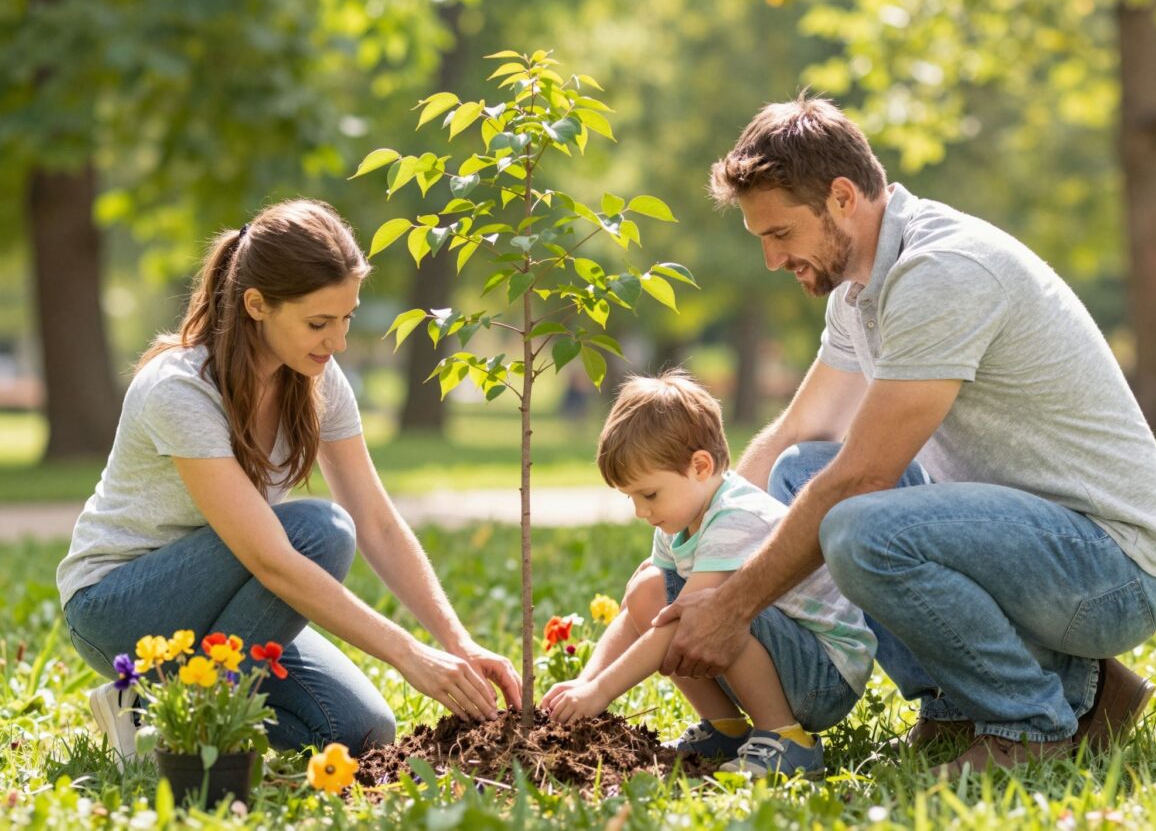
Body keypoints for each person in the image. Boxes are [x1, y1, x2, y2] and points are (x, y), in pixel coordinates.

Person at [654, 95, 1156, 774]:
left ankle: (1029, 722)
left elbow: (863, 478)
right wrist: (683, 544)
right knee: (797, 468)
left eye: (780, 234)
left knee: (858, 525)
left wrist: (732, 604)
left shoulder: (943, 272)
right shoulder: (859, 289)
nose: (770, 259)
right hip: (1028, 543)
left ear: (842, 197)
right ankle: (968, 703)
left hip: (1111, 568)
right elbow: (803, 427)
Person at [57, 199, 520, 764]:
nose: (338, 341)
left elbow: (376, 519)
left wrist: (456, 641)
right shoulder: (179, 388)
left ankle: (152, 711)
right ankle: (187, 725)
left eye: (346, 318)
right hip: (121, 606)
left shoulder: (318, 376)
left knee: (362, 732)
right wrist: (409, 655)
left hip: (230, 608)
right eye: (318, 323)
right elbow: (273, 557)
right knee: (319, 530)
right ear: (257, 305)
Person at [541, 370, 876, 778]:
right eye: (632, 498)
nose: (640, 511)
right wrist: (586, 681)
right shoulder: (680, 519)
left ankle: (787, 739)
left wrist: (602, 692)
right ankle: (726, 729)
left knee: (709, 612)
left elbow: (694, 621)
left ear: (700, 466)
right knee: (647, 589)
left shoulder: (735, 517)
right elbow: (641, 611)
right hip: (787, 661)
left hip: (823, 676)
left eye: (649, 494)